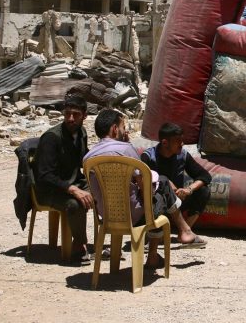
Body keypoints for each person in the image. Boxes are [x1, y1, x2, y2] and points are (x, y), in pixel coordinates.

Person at [83, 110, 206, 270]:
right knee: (160, 191)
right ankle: (177, 237)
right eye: (123, 127)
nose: (125, 130)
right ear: (114, 129)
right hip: (133, 215)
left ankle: (183, 231)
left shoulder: (88, 157)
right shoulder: (127, 150)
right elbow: (143, 184)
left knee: (161, 189)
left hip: (106, 215)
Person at [33, 94, 94, 264]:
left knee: (104, 192)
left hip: (73, 183)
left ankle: (101, 238)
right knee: (76, 203)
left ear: (85, 116)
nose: (71, 119)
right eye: (67, 114)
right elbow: (44, 175)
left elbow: (84, 158)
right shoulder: (52, 138)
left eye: (75, 114)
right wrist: (73, 189)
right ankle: (78, 246)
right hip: (50, 190)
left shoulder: (81, 132)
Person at [141, 123, 212, 230]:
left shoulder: (182, 155)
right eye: (178, 141)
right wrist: (167, 185)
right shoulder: (148, 157)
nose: (182, 144)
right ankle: (156, 230)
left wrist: (188, 190)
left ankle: (185, 230)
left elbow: (205, 176)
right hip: (157, 203)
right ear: (165, 142)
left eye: (182, 140)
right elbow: (144, 181)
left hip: (177, 201)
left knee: (203, 190)